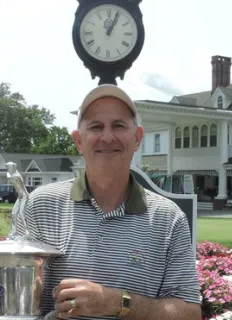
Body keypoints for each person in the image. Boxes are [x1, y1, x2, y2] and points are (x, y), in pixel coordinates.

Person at [24, 84, 201, 320]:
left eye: (118, 125)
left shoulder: (168, 218)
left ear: (137, 138)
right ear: (78, 141)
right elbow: (10, 293)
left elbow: (189, 313)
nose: (107, 137)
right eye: (96, 126)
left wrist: (118, 303)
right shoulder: (40, 205)